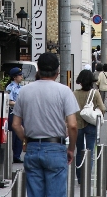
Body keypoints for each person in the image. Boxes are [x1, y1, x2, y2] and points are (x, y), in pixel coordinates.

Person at [12, 53, 78, 197]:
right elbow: (72, 125)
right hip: (55, 148)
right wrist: (71, 149)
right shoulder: (64, 91)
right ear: (57, 71)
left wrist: (26, 140)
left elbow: (16, 124)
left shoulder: (24, 91)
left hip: (33, 148)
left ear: (38, 70)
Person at [74, 70, 106, 184]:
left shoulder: (74, 93)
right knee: (90, 150)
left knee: (79, 151)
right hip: (91, 125)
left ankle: (79, 177)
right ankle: (87, 176)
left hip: (77, 125)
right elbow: (102, 108)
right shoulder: (95, 93)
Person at [6, 67, 24, 163]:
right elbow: (9, 101)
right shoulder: (10, 87)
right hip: (13, 113)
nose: (22, 76)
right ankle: (11, 155)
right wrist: (19, 103)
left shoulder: (21, 88)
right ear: (14, 77)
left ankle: (17, 156)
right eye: (20, 75)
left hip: (21, 114)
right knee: (13, 136)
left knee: (19, 136)